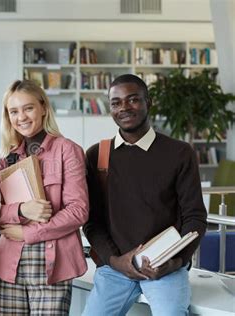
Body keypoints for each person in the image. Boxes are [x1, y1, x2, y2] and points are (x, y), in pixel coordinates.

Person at [83, 74, 208, 315]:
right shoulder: (97, 155)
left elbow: (195, 218)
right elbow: (92, 222)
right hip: (115, 268)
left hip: (166, 269)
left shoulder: (179, 153)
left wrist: (176, 261)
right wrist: (114, 260)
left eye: (133, 100)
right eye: (116, 102)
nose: (124, 108)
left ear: (148, 102)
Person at [0, 79, 89, 315]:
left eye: (28, 108)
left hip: (52, 264)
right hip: (8, 264)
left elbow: (78, 210)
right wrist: (21, 210)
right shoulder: (5, 159)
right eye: (14, 111)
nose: (21, 117)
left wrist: (27, 232)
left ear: (43, 107)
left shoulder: (67, 150)